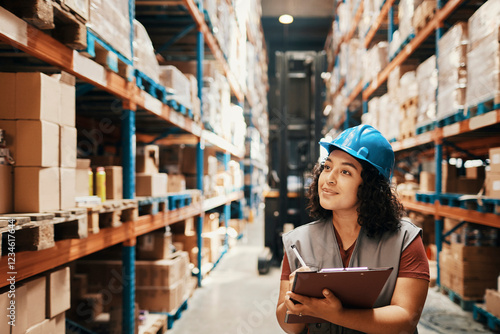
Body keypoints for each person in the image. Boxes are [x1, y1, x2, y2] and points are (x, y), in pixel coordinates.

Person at [276, 124, 429, 334]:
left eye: (345, 171)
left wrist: (337, 315)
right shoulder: (298, 242)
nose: (329, 178)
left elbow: (405, 320)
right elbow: (289, 327)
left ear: (370, 186)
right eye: (327, 167)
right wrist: (293, 301)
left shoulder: (405, 240)